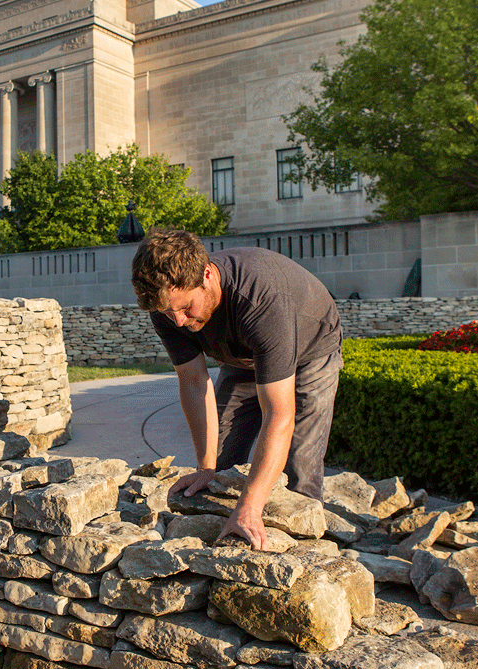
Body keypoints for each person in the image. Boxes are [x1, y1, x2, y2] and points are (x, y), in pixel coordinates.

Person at [130, 229, 343, 550]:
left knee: (298, 465)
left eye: (186, 307)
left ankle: (301, 549)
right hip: (242, 353)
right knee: (221, 464)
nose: (178, 322)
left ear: (207, 275)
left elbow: (279, 414)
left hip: (311, 348)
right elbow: (193, 382)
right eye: (167, 312)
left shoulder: (260, 300)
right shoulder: (168, 307)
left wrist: (250, 507)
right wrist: (205, 467)